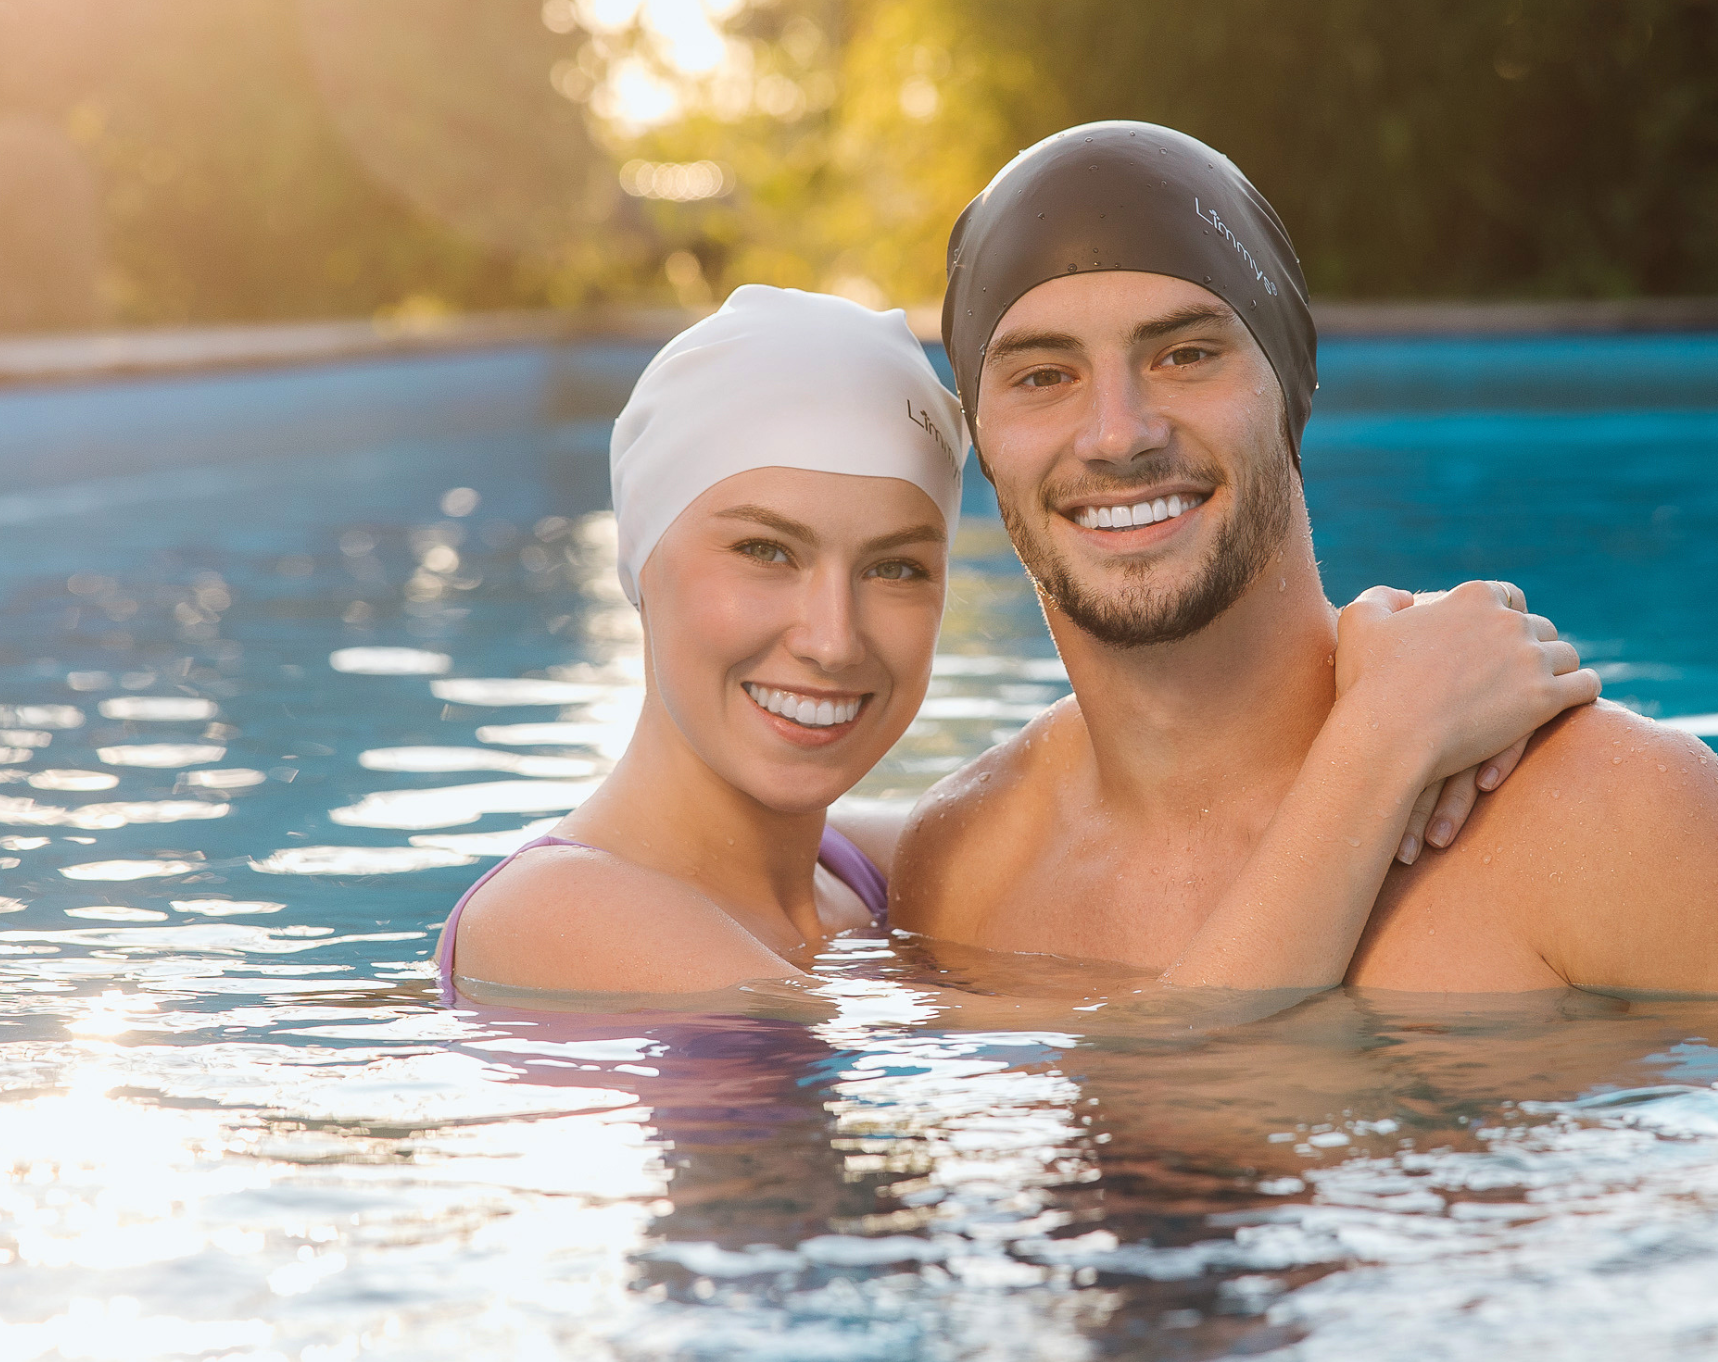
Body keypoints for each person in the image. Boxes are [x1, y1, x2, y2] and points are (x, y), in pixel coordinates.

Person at [891, 122, 1718, 996]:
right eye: (1043, 376)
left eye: (1185, 355)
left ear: (1292, 388)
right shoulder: (959, 872)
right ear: (983, 436)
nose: (1118, 435)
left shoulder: (1615, 815)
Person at [438, 283, 1587, 1003]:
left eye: (894, 565)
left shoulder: (868, 875)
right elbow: (1190, 1077)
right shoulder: (561, 915)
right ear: (638, 562)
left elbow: (1122, 783)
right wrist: (1382, 739)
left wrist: (1376, 650)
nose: (832, 637)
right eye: (766, 553)